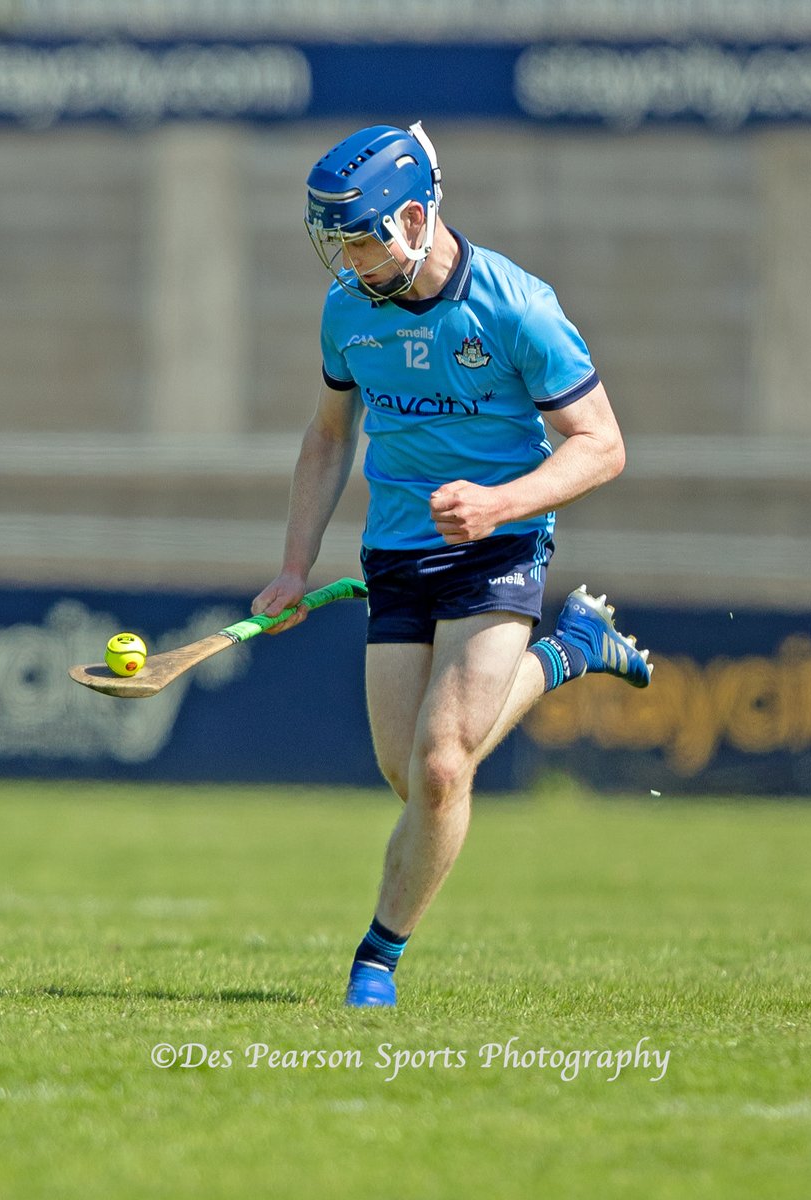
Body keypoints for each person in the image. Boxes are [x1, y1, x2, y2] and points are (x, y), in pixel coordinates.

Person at [251, 122, 651, 1008]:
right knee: (413, 778)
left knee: (441, 767)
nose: (348, 261)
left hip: (497, 547)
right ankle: (570, 651)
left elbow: (602, 445)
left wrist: (500, 506)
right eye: (336, 242)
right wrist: (293, 568)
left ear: (415, 218)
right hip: (397, 552)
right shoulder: (347, 310)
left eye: (361, 239)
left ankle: (375, 962)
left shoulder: (517, 307)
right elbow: (328, 439)